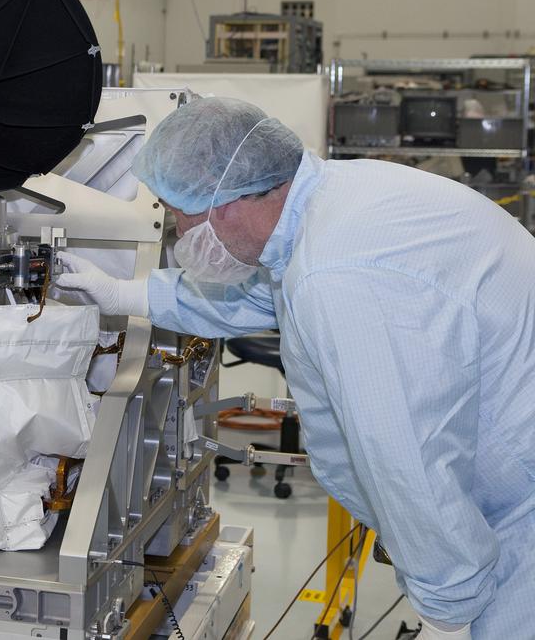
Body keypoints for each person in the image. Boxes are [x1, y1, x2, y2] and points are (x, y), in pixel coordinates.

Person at [56, 97, 535, 640]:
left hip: (519, 518)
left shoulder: (336, 271)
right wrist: (122, 291)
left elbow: (406, 458)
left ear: (227, 200)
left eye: (179, 213)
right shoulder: (327, 205)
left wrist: (448, 608)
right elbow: (257, 296)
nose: (177, 231)